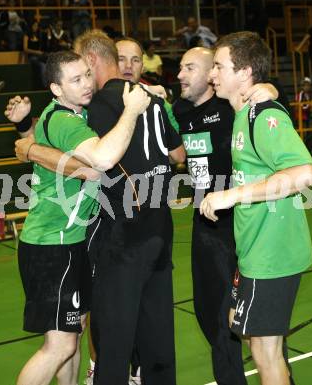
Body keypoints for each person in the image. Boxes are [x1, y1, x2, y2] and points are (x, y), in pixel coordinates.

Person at [10, 29, 185, 385]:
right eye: (76, 79)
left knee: (71, 340)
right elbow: (102, 159)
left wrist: (27, 139)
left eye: (87, 76)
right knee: (58, 347)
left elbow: (85, 165)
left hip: (73, 241)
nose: (87, 84)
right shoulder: (63, 118)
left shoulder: (79, 117)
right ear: (57, 89)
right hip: (51, 243)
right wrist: (134, 109)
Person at [200, 31, 312, 385]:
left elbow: (305, 173)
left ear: (245, 72)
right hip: (254, 251)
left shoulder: (261, 115)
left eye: (219, 66)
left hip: (273, 255)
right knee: (253, 336)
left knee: (265, 353)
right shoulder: (241, 113)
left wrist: (232, 196)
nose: (212, 74)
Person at [173, 46, 286, 385]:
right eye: (180, 67)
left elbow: (268, 101)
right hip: (204, 226)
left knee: (254, 325)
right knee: (209, 315)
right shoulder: (178, 110)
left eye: (189, 68)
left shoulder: (230, 107)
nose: (180, 74)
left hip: (241, 227)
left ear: (211, 74)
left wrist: (270, 89)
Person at [23, 20, 48, 89]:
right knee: (43, 65)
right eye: (34, 26)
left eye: (37, 26)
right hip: (32, 57)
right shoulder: (27, 35)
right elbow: (25, 49)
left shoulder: (39, 34)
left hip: (40, 56)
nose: (36, 27)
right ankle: (45, 86)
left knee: (49, 63)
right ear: (31, 26)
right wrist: (36, 52)